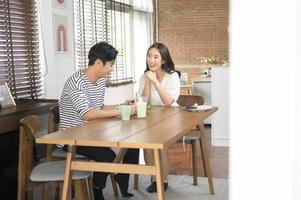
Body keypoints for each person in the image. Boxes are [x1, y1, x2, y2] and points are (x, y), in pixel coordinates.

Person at [59, 42, 139, 200]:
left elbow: (99, 107)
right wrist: (119, 112)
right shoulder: (76, 82)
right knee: (108, 157)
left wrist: (121, 105)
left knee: (133, 144)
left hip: (94, 132)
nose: (112, 68)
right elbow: (88, 114)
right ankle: (98, 189)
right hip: (73, 137)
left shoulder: (100, 80)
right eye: (110, 64)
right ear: (98, 63)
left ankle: (122, 178)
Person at [138, 42, 181, 193]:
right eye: (149, 56)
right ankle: (154, 178)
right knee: (147, 145)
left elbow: (169, 102)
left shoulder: (173, 76)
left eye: (156, 57)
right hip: (151, 118)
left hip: (171, 118)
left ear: (163, 60)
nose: (151, 60)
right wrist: (149, 81)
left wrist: (156, 81)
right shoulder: (144, 76)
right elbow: (145, 101)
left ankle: (163, 181)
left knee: (160, 146)